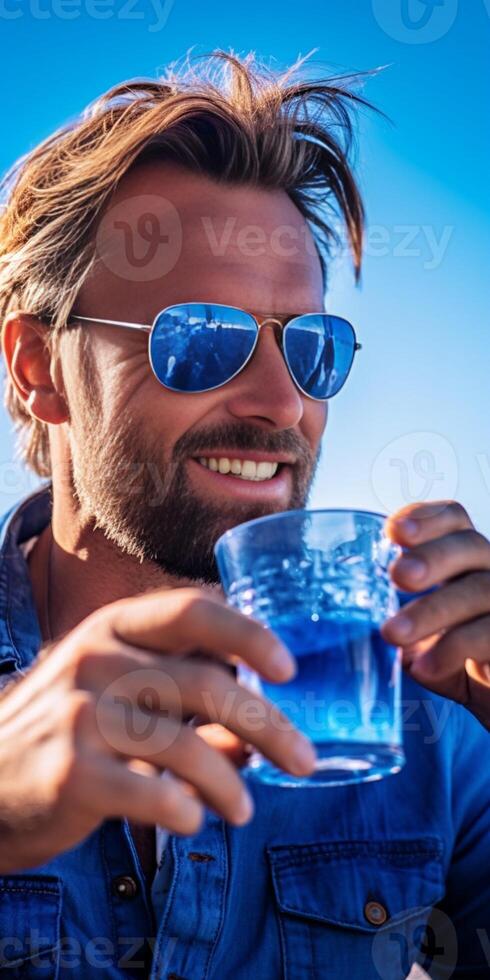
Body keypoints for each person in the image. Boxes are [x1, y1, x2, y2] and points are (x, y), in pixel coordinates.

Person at [0, 51, 488, 979]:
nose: (281, 401)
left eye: (311, 347)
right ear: (38, 367)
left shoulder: (429, 714)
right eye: (202, 339)